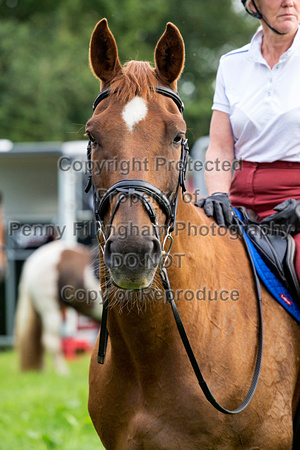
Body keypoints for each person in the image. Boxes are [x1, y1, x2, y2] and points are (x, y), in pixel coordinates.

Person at [197, 0, 300, 284]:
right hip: (240, 201)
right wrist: (218, 194)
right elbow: (219, 146)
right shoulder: (231, 64)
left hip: (296, 199)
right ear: (253, 4)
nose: (288, 2)